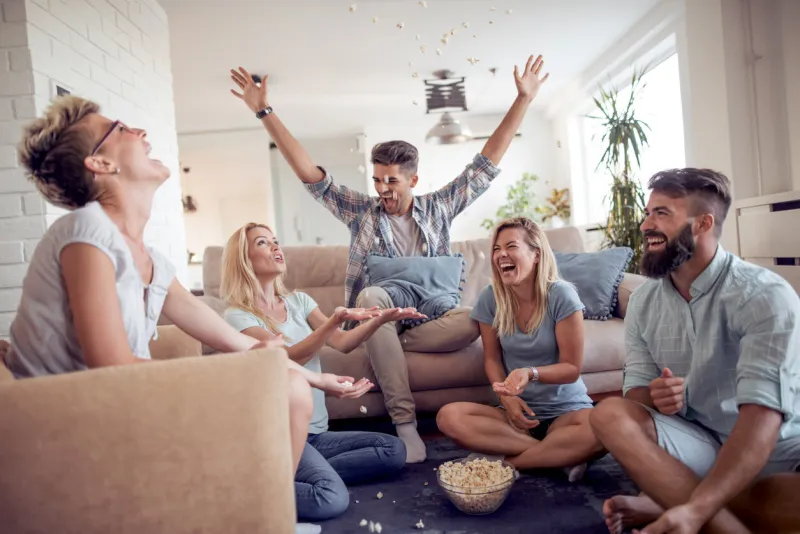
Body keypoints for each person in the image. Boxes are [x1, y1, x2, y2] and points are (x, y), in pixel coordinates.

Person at [4, 96, 371, 481]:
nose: (140, 132)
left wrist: (318, 379)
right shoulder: (86, 232)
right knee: (288, 389)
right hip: (66, 418)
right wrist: (238, 372)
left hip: (113, 400)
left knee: (293, 384)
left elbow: (242, 343)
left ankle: (264, 503)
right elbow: (110, 368)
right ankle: (263, 501)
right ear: (100, 164)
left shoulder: (152, 261)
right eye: (121, 130)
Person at [229, 54, 551, 463]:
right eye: (377, 179)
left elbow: (484, 165)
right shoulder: (361, 212)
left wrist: (522, 100)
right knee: (370, 299)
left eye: (392, 181)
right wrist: (264, 111)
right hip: (377, 324)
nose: (383, 188)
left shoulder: (438, 208)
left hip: (429, 323)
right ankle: (405, 424)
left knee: (481, 310)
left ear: (413, 180)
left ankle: (522, 406)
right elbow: (310, 173)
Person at [589, 168, 800, 534]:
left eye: (662, 213)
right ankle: (694, 508)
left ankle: (672, 500)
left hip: (775, 448)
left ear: (702, 224)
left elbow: (762, 418)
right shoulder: (643, 302)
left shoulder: (765, 294)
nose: (645, 225)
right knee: (609, 415)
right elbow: (635, 396)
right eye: (647, 212)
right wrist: (653, 395)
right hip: (698, 444)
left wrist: (695, 506)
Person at [220, 222, 426, 521]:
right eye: (263, 243)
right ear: (244, 259)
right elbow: (283, 360)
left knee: (393, 449)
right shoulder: (237, 316)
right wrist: (332, 321)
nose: (276, 247)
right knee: (329, 498)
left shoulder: (299, 301)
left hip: (317, 434)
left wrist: (381, 320)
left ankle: (294, 474)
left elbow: (342, 342)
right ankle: (249, 490)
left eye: (276, 240)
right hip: (283, 434)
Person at [436, 217, 603, 481]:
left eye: (511, 246)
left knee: (599, 429)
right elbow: (491, 358)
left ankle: (508, 465)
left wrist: (530, 372)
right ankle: (557, 457)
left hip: (567, 412)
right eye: (496, 249)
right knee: (449, 416)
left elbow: (571, 369)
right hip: (516, 417)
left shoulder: (562, 295)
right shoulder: (490, 298)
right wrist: (507, 398)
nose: (501, 254)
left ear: (536, 254)